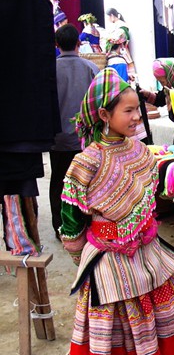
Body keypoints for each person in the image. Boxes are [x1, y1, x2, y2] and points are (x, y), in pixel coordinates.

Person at [59, 67, 174, 355]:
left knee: (158, 318)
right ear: (103, 115)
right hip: (110, 260)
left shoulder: (140, 152)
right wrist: (84, 259)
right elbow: (71, 221)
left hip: (147, 251)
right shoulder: (85, 163)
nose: (137, 116)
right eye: (129, 110)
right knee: (121, 329)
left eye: (138, 108)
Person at [49, 23, 100, 240]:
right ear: (79, 43)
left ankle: (60, 227)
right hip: (85, 141)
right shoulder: (91, 68)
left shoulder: (49, 69)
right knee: (86, 182)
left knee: (59, 181)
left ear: (56, 44)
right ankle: (86, 225)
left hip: (57, 139)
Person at [106, 7, 136, 80]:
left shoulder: (121, 26)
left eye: (108, 17)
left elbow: (122, 37)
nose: (108, 20)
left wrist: (110, 40)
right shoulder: (116, 26)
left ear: (112, 16)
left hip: (121, 51)